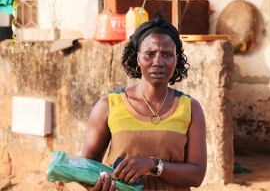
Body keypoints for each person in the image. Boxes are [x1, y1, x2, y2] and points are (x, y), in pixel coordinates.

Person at [81, 12, 207, 191]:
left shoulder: (191, 108)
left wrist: (153, 165)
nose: (158, 62)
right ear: (137, 57)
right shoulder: (108, 106)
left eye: (167, 54)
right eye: (150, 54)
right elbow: (87, 168)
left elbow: (196, 175)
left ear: (176, 59)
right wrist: (96, 187)